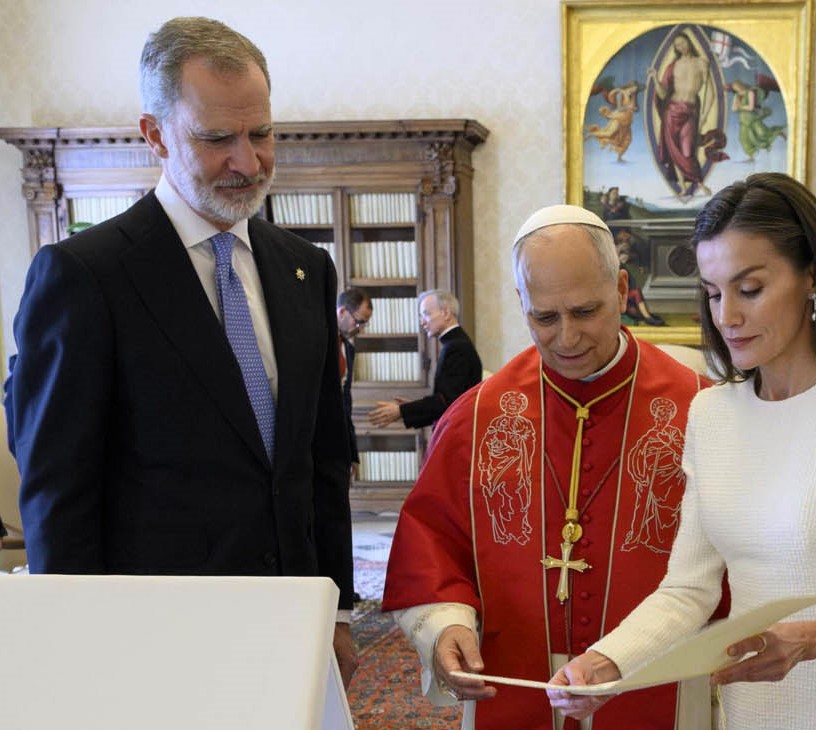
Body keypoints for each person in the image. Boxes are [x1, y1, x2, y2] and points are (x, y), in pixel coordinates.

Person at [3, 17, 359, 686]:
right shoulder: (86, 276)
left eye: (261, 134)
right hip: (152, 638)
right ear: (155, 134)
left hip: (291, 621)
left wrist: (336, 609)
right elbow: (58, 489)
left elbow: (322, 460)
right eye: (216, 139)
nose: (247, 162)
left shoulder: (304, 269)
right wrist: (73, 645)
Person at [548, 173, 816, 729]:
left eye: (749, 289)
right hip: (748, 714)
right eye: (713, 292)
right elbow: (688, 590)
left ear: (812, 276)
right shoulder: (712, 413)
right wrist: (608, 662)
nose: (726, 316)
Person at [382, 204, 728, 730]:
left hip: (656, 682)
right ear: (521, 301)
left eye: (585, 311)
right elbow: (432, 541)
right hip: (513, 685)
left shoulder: (699, 408)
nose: (567, 338)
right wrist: (446, 626)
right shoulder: (478, 417)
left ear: (621, 289)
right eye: (544, 317)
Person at [367, 289, 482, 429]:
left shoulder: (456, 347)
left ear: (446, 313)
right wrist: (410, 407)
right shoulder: (455, 343)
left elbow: (446, 403)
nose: (422, 322)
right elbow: (446, 401)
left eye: (426, 314)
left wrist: (402, 410)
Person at [648, 32, 724, 198]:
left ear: (689, 42)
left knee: (688, 151)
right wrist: (655, 78)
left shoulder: (701, 63)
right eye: (677, 45)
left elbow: (711, 93)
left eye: (682, 42)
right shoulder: (673, 66)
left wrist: (704, 117)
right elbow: (662, 94)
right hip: (671, 111)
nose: (681, 47)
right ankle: (682, 187)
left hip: (690, 112)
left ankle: (699, 183)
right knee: (674, 151)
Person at [337, 287, 373, 468]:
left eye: (364, 324)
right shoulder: (317, 343)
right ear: (342, 311)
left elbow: (346, 404)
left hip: (338, 440)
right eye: (358, 322)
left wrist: (352, 454)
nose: (360, 329)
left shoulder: (349, 350)